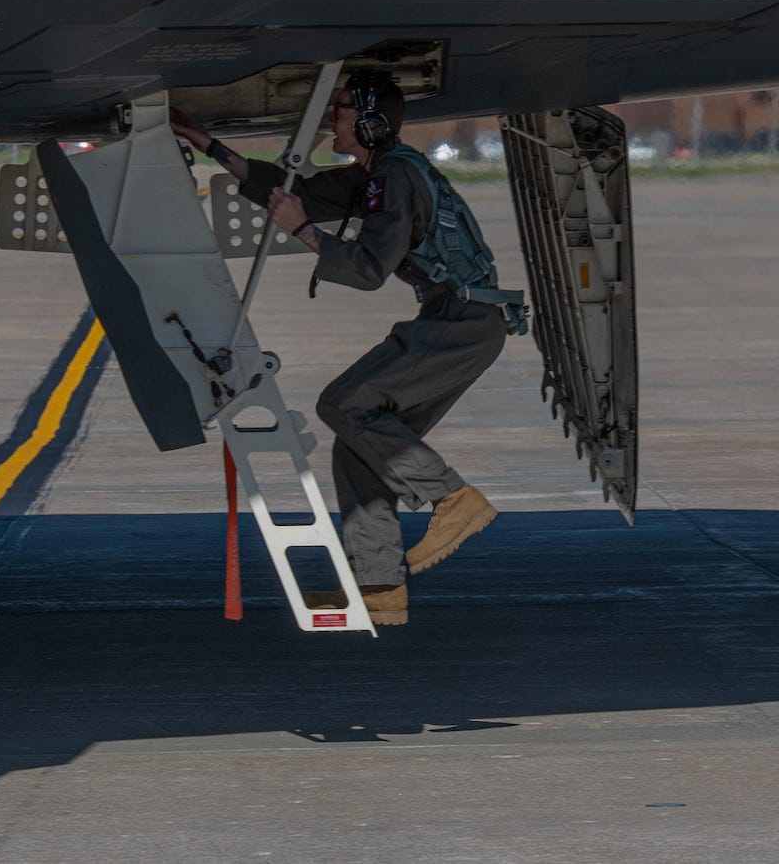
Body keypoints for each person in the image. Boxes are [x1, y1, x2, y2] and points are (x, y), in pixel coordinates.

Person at [170, 71, 522, 626]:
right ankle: (380, 588)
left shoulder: (393, 178)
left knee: (344, 404)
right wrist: (205, 143)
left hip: (462, 322)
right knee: (356, 446)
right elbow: (292, 191)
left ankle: (452, 499)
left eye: (338, 110)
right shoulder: (378, 173)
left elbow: (366, 271)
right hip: (459, 321)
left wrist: (306, 231)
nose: (330, 119)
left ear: (370, 121)